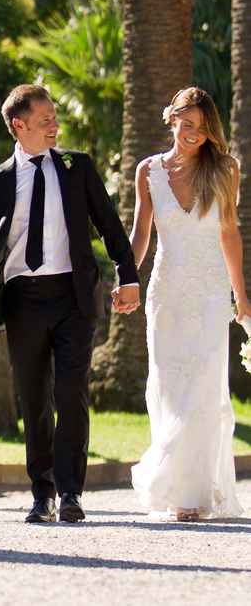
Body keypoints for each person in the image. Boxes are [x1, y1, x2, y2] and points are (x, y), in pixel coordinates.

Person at [0, 84, 139, 524]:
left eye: (55, 117)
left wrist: (128, 275)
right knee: (35, 397)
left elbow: (110, 226)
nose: (54, 126)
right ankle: (41, 494)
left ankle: (71, 492)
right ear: (18, 126)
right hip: (23, 299)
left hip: (73, 296)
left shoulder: (77, 167)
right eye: (45, 121)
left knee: (71, 392)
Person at [127, 87, 249, 520]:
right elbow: (141, 233)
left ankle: (192, 496)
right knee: (167, 384)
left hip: (211, 292)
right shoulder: (148, 172)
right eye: (188, 124)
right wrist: (127, 278)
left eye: (203, 127)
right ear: (171, 119)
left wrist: (242, 296)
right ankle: (178, 482)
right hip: (166, 293)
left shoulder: (225, 169)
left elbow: (229, 234)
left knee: (202, 387)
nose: (195, 134)